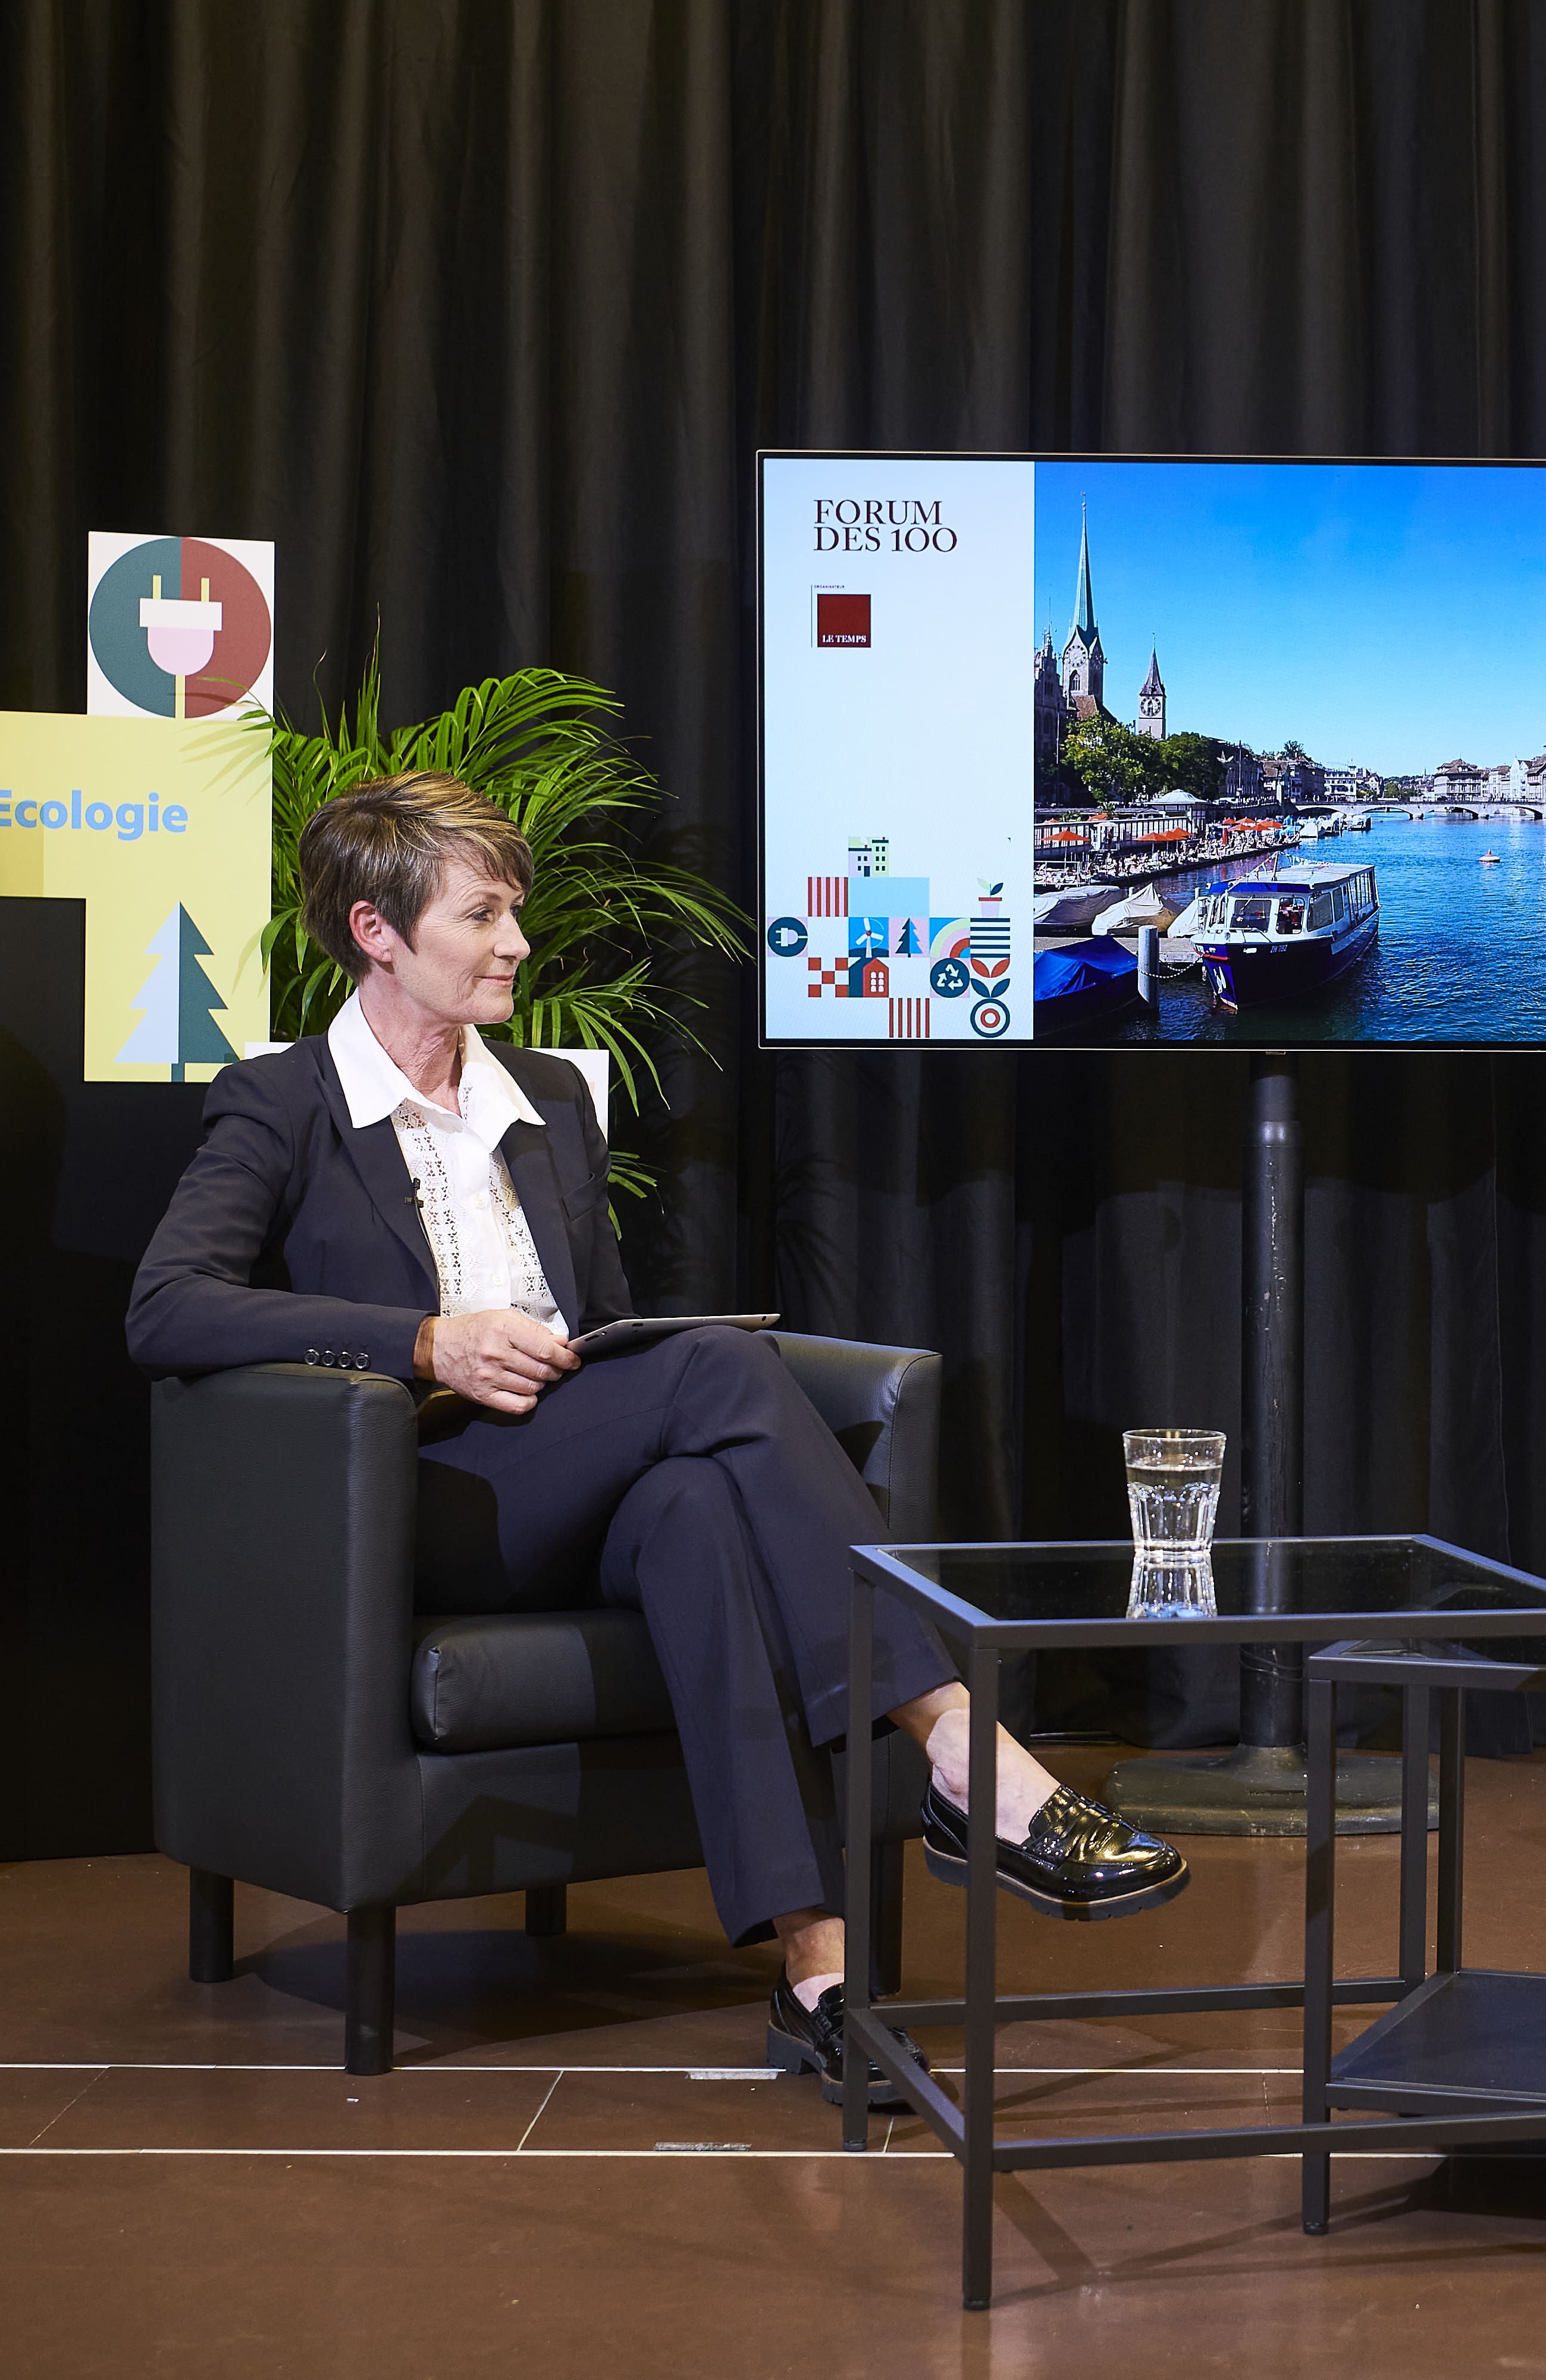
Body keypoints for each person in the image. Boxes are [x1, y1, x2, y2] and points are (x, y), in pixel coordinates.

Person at [128, 771, 1184, 2103]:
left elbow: (605, 1324)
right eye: (483, 916)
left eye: (516, 913)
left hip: (570, 1477)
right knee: (718, 1365)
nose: (518, 944)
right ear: (376, 932)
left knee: (695, 1507)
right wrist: (425, 1341)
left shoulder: (549, 1099)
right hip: (419, 1499)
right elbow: (166, 1306)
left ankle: (818, 1978)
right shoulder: (280, 1099)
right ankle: (963, 1744)